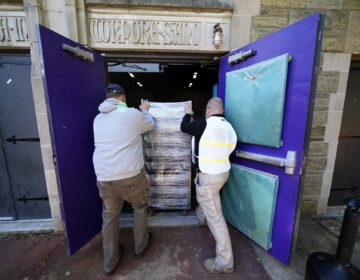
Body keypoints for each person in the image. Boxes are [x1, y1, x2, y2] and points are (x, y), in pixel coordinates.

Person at [93, 83, 155, 276]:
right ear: (122, 97)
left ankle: (110, 262)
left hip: (104, 176)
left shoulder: (97, 118)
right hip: (129, 175)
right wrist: (144, 110)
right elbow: (151, 124)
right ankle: (140, 246)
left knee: (110, 216)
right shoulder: (131, 114)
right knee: (139, 207)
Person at [180, 97, 237, 274]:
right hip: (222, 174)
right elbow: (231, 149)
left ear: (210, 108)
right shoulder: (229, 127)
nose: (205, 112)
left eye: (206, 109)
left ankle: (225, 262)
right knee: (209, 199)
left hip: (208, 177)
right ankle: (202, 216)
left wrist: (187, 114)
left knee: (217, 220)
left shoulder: (203, 124)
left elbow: (184, 127)